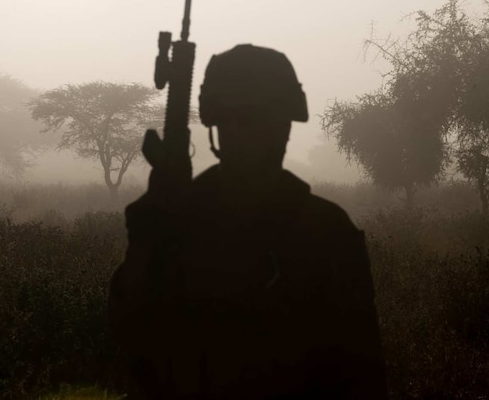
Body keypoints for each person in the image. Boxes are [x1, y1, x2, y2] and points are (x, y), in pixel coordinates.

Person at [108, 44, 387, 399]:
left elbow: (360, 374)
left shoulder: (327, 231)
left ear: (282, 127)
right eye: (230, 120)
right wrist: (146, 239)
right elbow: (129, 332)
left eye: (254, 120)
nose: (240, 132)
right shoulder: (174, 218)